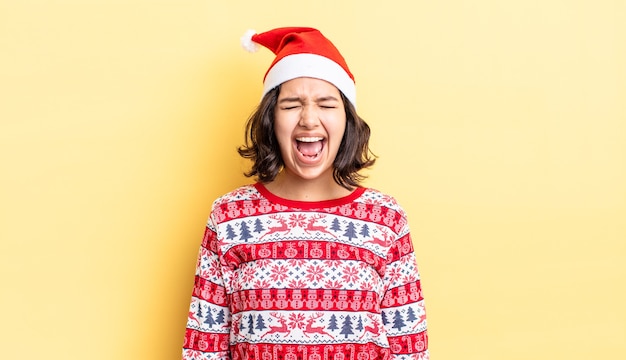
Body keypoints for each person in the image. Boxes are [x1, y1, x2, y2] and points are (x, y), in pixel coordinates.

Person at [182, 27, 428, 360]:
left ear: (347, 120)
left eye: (326, 104)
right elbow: (203, 350)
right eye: (291, 105)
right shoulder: (229, 217)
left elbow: (409, 350)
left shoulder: (386, 218)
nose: (309, 120)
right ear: (270, 119)